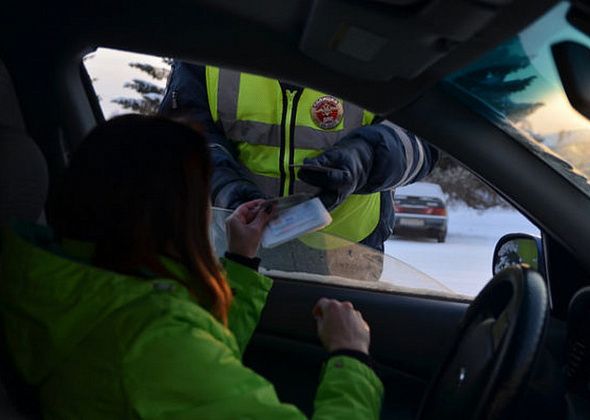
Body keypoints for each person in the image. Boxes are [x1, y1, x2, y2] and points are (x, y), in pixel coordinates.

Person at [0, 115, 383, 418]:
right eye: (200, 197)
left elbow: (199, 354)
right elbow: (176, 352)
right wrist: (350, 356)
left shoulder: (57, 281)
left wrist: (240, 261)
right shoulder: (150, 340)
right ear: (173, 213)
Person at [159, 61, 439, 252]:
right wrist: (224, 189)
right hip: (231, 245)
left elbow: (422, 141)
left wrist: (367, 158)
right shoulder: (216, 33)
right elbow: (179, 137)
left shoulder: (385, 37)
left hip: (346, 257)